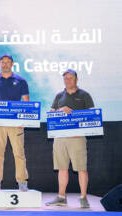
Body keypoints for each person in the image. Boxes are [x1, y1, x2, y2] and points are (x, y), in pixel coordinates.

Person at [45, 69, 94, 208]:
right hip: (60, 137)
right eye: (65, 78)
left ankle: (83, 197)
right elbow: (50, 114)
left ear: (76, 79)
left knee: (81, 168)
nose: (68, 81)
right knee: (62, 168)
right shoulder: (59, 96)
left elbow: (92, 116)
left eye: (70, 78)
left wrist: (75, 115)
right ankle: (61, 197)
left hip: (77, 138)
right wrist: (60, 110)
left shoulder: (85, 95)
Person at [0, 54, 29, 192]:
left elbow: (26, 102)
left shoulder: (21, 81)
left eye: (8, 62)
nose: (5, 64)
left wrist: (23, 120)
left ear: (12, 64)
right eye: (2, 62)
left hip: (15, 124)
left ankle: (22, 182)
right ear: (0, 64)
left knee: (19, 153)